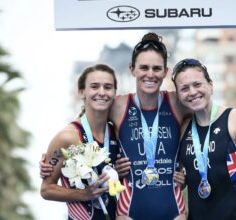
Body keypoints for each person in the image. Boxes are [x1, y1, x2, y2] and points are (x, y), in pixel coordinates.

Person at [41, 33, 188, 220]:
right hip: (128, 213)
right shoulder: (118, 106)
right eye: (144, 67)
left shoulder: (178, 103)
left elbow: (202, 123)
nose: (150, 74)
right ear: (132, 69)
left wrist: (185, 172)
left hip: (174, 210)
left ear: (165, 72)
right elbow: (87, 120)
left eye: (156, 68)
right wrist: (50, 161)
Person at [171, 58, 236, 220]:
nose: (192, 92)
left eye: (197, 84)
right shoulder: (182, 129)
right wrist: (181, 180)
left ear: (211, 85)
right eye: (184, 88)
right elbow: (182, 176)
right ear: (178, 96)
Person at [40, 64, 120, 220]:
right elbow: (46, 189)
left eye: (108, 87)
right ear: (82, 92)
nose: (102, 92)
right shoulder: (67, 138)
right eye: (94, 86)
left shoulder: (117, 134)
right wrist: (83, 194)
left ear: (114, 92)